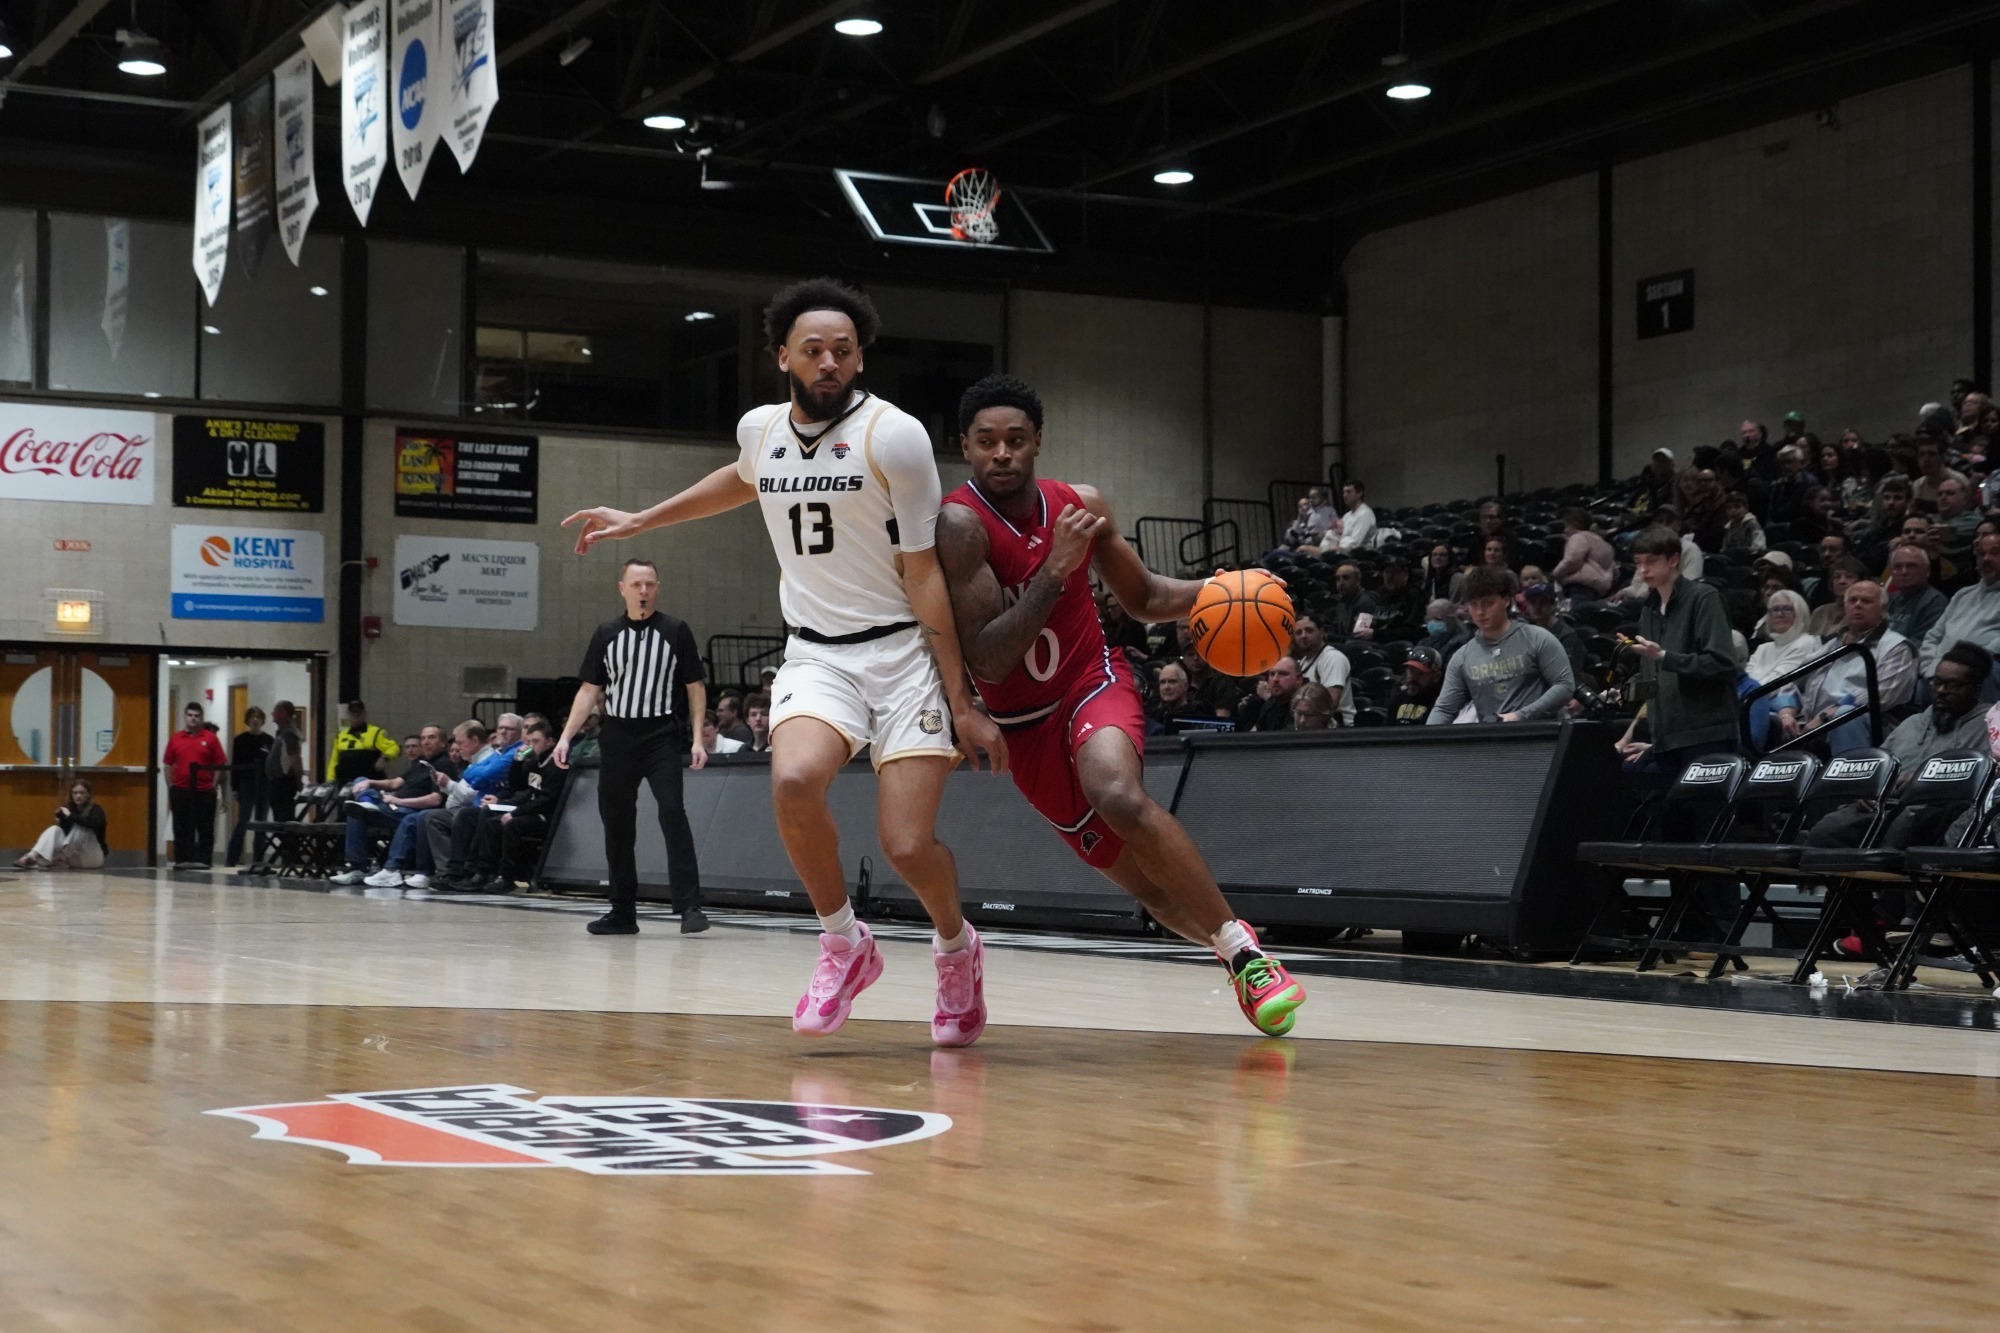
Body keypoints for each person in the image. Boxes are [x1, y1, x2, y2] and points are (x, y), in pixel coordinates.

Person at [563, 277, 1006, 1044]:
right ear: (783, 358)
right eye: (813, 350)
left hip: (903, 652)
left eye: (842, 349)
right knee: (795, 779)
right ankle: (844, 940)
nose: (828, 361)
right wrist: (642, 516)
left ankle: (956, 946)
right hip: (816, 653)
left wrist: (960, 697)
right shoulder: (762, 430)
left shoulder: (892, 436)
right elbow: (739, 479)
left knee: (906, 844)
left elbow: (926, 571)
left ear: (859, 357)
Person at [936, 372, 1304, 1036]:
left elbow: (1143, 598)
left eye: (1016, 440)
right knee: (1151, 888)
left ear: (1038, 442)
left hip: (1090, 678)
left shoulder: (1081, 504)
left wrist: (1225, 586)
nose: (1002, 454)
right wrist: (1055, 569)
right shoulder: (961, 525)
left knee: (1118, 794)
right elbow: (990, 657)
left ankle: (1248, 958)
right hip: (1023, 725)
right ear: (965, 445)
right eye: (987, 441)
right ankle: (1233, 946)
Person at [552, 558, 711, 935]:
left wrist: (697, 737)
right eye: (636, 584)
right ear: (621, 587)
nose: (644, 591)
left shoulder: (676, 630)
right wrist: (565, 737)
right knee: (618, 824)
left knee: (673, 812)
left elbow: (695, 686)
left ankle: (690, 907)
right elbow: (589, 689)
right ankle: (623, 911)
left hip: (661, 735)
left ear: (658, 587)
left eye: (650, 585)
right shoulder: (606, 633)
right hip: (618, 736)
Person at [1800, 643, 1992, 855]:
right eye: (1937, 682)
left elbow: (1988, 781)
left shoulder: (1988, 725)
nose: (1941, 691)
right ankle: (1843, 888)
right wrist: (1867, 790)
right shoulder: (1912, 723)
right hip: (1882, 804)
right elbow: (1879, 766)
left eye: (1954, 685)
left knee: (1900, 830)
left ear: (1976, 688)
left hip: (1935, 809)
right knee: (1825, 831)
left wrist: (1925, 783)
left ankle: (1888, 888)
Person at [1626, 526, 1739, 772]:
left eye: (1651, 561)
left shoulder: (1704, 598)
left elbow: (1722, 662)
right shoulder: (1649, 610)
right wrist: (1619, 692)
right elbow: (1653, 676)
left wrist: (1665, 657)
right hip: (1666, 737)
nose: (1643, 569)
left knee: (1704, 810)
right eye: (1638, 563)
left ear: (1674, 559)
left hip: (1706, 735)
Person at [1774, 579, 1917, 751]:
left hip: (1870, 723)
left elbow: (1882, 697)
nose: (1858, 605)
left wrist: (1825, 716)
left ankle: (1848, 776)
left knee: (1845, 714)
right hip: (1813, 723)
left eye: (1866, 601)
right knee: (1770, 717)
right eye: (1852, 600)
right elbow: (1791, 681)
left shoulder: (1896, 646)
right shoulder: (1831, 644)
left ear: (1884, 609)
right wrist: (1786, 713)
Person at [1426, 567, 1574, 724]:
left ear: (1506, 600)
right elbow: (1444, 709)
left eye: (1488, 603)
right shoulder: (1462, 657)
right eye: (1474, 605)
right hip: (1491, 742)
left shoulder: (1538, 638)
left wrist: (1520, 716)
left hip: (1537, 737)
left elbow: (1564, 686)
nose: (1480, 611)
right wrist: (1426, 744)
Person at [327, 724, 452, 887]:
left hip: (409, 810)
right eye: (423, 738)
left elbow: (435, 799)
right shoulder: (419, 765)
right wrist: (370, 782)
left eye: (431, 737)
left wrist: (398, 801)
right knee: (359, 795)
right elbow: (394, 783)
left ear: (443, 743)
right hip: (393, 807)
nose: (426, 742)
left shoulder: (443, 764)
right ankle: (358, 868)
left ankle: (391, 870)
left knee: (359, 810)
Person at [461, 717, 569, 893]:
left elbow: (547, 799)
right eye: (528, 741)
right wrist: (518, 762)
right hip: (530, 808)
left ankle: (507, 876)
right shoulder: (534, 761)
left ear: (549, 742)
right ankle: (483, 871)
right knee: (491, 819)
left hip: (548, 814)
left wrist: (516, 812)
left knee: (512, 824)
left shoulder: (557, 764)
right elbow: (517, 786)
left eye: (536, 741)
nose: (531, 746)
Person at [1919, 532, 2000, 676]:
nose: (1986, 558)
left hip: (1978, 672)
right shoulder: (1963, 595)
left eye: (1995, 552)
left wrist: (1965, 667)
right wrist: (1928, 668)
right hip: (1937, 672)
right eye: (1981, 554)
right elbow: (1933, 636)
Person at [163, 702, 227, 869]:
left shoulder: (210, 738)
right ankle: (182, 861)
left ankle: (205, 861)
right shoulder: (176, 738)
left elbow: (220, 763)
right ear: (185, 717)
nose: (193, 718)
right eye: (190, 715)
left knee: (205, 829)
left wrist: (213, 784)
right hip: (181, 790)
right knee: (181, 827)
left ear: (201, 718)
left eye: (197, 716)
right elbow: (167, 763)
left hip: (204, 791)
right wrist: (171, 786)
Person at [246, 699, 306, 874]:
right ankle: (290, 855)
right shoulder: (282, 733)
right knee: (281, 821)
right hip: (277, 783)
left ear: (285, 714)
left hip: (283, 784)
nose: (272, 714)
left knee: (284, 822)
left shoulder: (289, 734)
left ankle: (293, 855)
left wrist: (298, 780)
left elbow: (295, 759)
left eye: (276, 711)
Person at [15, 779, 107, 870]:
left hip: (92, 858)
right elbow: (64, 834)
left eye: (82, 793)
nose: (78, 796)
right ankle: (32, 855)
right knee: (55, 829)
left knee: (81, 828)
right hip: (73, 858)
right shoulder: (69, 808)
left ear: (88, 794)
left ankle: (57, 858)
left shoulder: (96, 810)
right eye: (75, 793)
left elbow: (95, 824)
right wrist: (62, 820)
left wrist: (71, 816)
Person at [223, 707, 274, 869]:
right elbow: (235, 765)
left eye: (258, 717)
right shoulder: (240, 740)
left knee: (261, 822)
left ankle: (258, 859)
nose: (255, 720)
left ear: (262, 720)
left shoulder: (268, 740)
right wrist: (234, 788)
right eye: (252, 717)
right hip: (246, 783)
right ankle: (232, 858)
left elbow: (271, 765)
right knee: (243, 821)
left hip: (264, 784)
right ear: (248, 720)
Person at [1290, 615, 1356, 726]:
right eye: (1298, 633)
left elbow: (1330, 703)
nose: (1303, 636)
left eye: (1309, 630)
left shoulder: (1333, 658)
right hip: (1308, 722)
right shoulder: (1303, 662)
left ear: (1321, 632)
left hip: (1337, 726)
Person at [1520, 582, 1587, 681]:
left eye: (1543, 602)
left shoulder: (1567, 635)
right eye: (1533, 602)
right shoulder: (1526, 632)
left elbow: (1565, 673)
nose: (1537, 607)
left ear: (1553, 605)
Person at [1884, 542, 1948, 645]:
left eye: (1911, 566)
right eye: (1898, 567)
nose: (1904, 572)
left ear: (1927, 571)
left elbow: (1921, 644)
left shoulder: (1934, 601)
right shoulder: (1889, 599)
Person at [327, 700, 400, 785]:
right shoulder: (341, 736)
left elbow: (394, 747)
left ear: (364, 713)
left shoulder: (375, 732)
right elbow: (334, 761)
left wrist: (384, 758)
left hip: (369, 783)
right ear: (348, 714)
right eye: (353, 712)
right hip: (345, 783)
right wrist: (330, 780)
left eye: (359, 712)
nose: (356, 715)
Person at [1550, 509, 1616, 602]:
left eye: (1567, 526)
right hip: (1596, 590)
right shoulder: (1603, 543)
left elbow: (1571, 560)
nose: (1565, 530)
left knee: (1573, 613)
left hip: (1579, 586)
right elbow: (1614, 570)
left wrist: (1555, 574)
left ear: (1575, 524)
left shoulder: (1578, 537)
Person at [1236, 656, 1304, 733]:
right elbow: (1253, 735)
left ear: (1298, 679)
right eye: (1272, 674)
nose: (1275, 679)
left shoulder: (1305, 704)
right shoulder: (1270, 704)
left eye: (1283, 674)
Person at [1394, 647, 1444, 723]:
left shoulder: (1442, 702)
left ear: (1436, 676)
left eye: (1420, 673)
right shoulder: (1400, 698)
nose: (1413, 677)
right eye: (1411, 671)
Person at [1719, 490, 1766, 557]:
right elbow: (1724, 548)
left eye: (1737, 507)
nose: (1733, 510)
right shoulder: (1728, 527)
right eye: (1729, 508)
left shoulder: (1752, 524)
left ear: (1746, 508)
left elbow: (1759, 547)